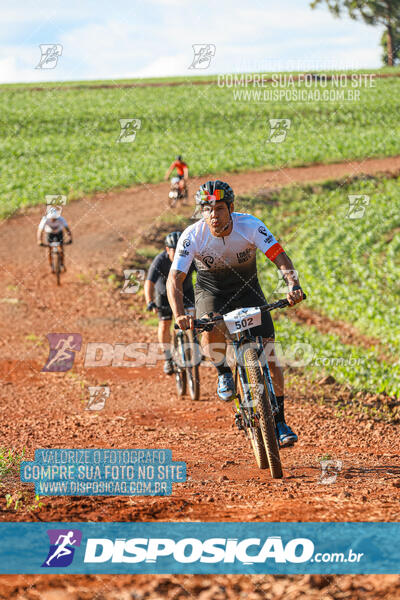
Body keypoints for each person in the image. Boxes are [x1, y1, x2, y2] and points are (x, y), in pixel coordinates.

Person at [166, 180, 304, 447]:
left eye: (219, 209)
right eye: (207, 210)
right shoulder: (192, 235)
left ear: (231, 208)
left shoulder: (250, 225)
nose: (213, 216)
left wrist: (293, 285)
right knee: (209, 331)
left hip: (248, 291)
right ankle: (223, 372)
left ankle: (280, 421)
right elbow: (175, 279)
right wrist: (180, 314)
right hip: (211, 293)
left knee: (272, 359)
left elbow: (280, 258)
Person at [144, 231, 195, 375]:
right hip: (164, 295)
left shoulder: (190, 257)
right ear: (167, 250)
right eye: (174, 250)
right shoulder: (160, 260)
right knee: (165, 324)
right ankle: (168, 358)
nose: (178, 253)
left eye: (180, 249)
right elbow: (149, 282)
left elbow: (204, 276)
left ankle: (194, 342)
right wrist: (150, 301)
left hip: (186, 293)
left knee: (194, 316)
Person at [37, 207, 72, 271]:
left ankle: (62, 264)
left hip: (59, 233)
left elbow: (67, 229)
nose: (53, 220)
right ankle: (51, 266)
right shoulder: (45, 219)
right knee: (49, 249)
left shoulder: (61, 219)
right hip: (49, 233)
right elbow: (40, 230)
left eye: (55, 218)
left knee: (61, 248)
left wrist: (70, 237)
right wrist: (39, 240)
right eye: (52, 218)